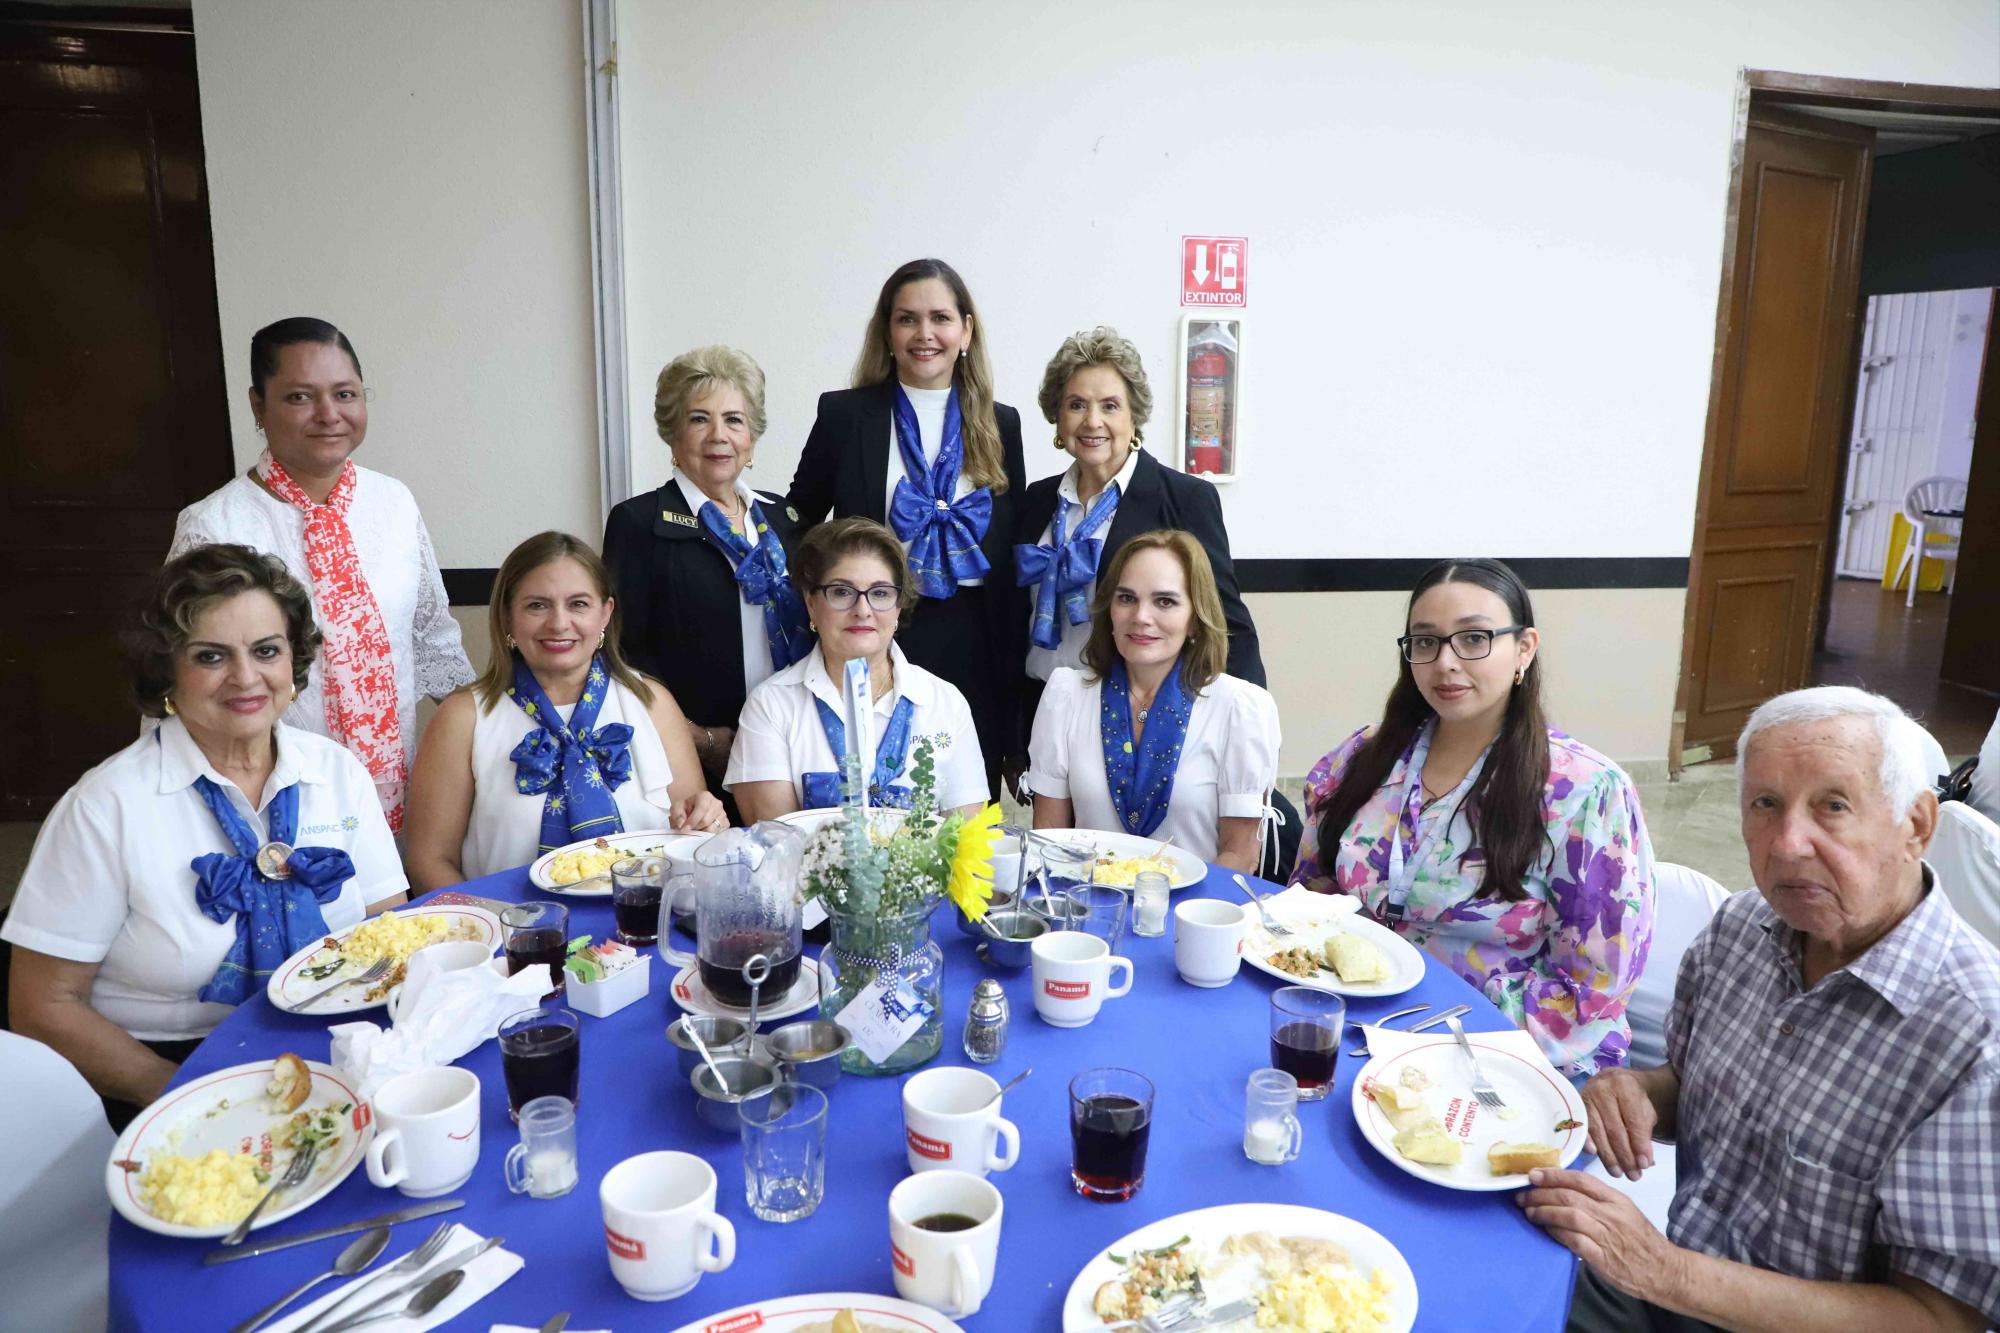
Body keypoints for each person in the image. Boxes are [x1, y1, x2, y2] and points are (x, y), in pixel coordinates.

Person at [1534, 686, 2000, 1333]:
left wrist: (1667, 1271)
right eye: (1765, 804)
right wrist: (1635, 1090)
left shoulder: (1977, 1037)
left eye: (1832, 805)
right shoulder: (1741, 930)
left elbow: (1939, 1316)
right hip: (1665, 1288)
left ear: (1917, 824)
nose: (1788, 843)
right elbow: (1699, 1084)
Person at [3, 546, 406, 1126]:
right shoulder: (104, 806)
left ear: (293, 660)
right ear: (166, 670)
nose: (246, 677)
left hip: (335, 1043)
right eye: (211, 656)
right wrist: (183, 1095)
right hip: (169, 1070)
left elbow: (387, 927)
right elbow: (42, 1006)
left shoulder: (337, 770)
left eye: (266, 651)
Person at [1289, 558, 1654, 1081]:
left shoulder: (1584, 791)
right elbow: (1310, 894)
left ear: (1524, 649)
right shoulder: (1364, 755)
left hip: (1499, 1056)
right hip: (1353, 1022)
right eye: (1426, 641)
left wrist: (1430, 1038)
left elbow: (1592, 990)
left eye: (1474, 638)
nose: (1446, 663)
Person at [169, 317, 474, 832]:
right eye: (299, 398)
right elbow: (180, 681)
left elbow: (432, 638)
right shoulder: (214, 525)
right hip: (267, 798)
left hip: (394, 788)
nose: (329, 415)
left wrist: (500, 732)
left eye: (346, 393)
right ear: (257, 405)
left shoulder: (393, 502)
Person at [788, 258, 1025, 798]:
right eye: (907, 319)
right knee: (870, 788)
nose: (925, 334)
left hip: (974, 640)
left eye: (940, 318)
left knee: (960, 800)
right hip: (873, 626)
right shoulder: (845, 416)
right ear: (887, 332)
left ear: (966, 331)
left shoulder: (1000, 422)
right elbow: (797, 522)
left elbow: (1009, 552)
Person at [404, 533, 726, 889]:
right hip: (513, 932)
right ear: (507, 617)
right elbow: (428, 861)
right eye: (537, 605)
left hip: (643, 927)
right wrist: (498, 929)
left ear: (606, 614)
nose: (558, 623)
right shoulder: (463, 717)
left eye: (578, 604)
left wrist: (706, 819)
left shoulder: (653, 702)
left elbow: (691, 832)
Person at [603, 346, 810, 804]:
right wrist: (702, 740)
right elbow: (625, 654)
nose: (719, 435)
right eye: (699, 419)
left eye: (734, 420)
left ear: (751, 438)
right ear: (673, 437)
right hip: (698, 755)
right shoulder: (639, 522)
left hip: (792, 745)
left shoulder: (786, 522)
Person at [1026, 530, 1279, 872]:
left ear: (1195, 618)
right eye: (1127, 598)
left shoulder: (1240, 708)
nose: (1141, 617)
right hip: (1086, 909)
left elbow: (1240, 856)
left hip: (1192, 914)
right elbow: (1048, 839)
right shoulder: (1066, 696)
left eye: (1165, 601)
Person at [726, 518, 987, 821]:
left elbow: (967, 839)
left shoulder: (945, 702)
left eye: (880, 593)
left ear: (899, 605)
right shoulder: (770, 705)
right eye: (841, 592)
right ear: (811, 603)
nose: (862, 610)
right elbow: (774, 846)